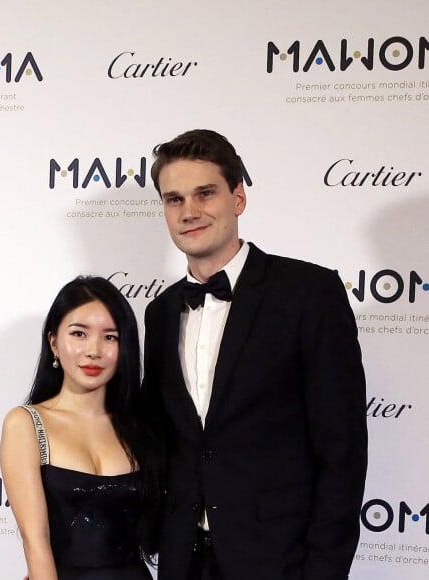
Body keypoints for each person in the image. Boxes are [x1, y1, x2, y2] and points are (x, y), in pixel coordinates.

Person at [142, 129, 368, 580]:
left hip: (278, 563)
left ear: (238, 197)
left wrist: (323, 570)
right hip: (183, 561)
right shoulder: (160, 312)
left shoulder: (308, 294)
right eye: (174, 199)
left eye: (205, 193)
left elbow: (342, 450)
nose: (189, 212)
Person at [0, 276, 159, 580]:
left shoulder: (142, 426)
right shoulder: (27, 425)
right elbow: (36, 542)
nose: (94, 351)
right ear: (53, 342)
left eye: (110, 337)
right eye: (79, 334)